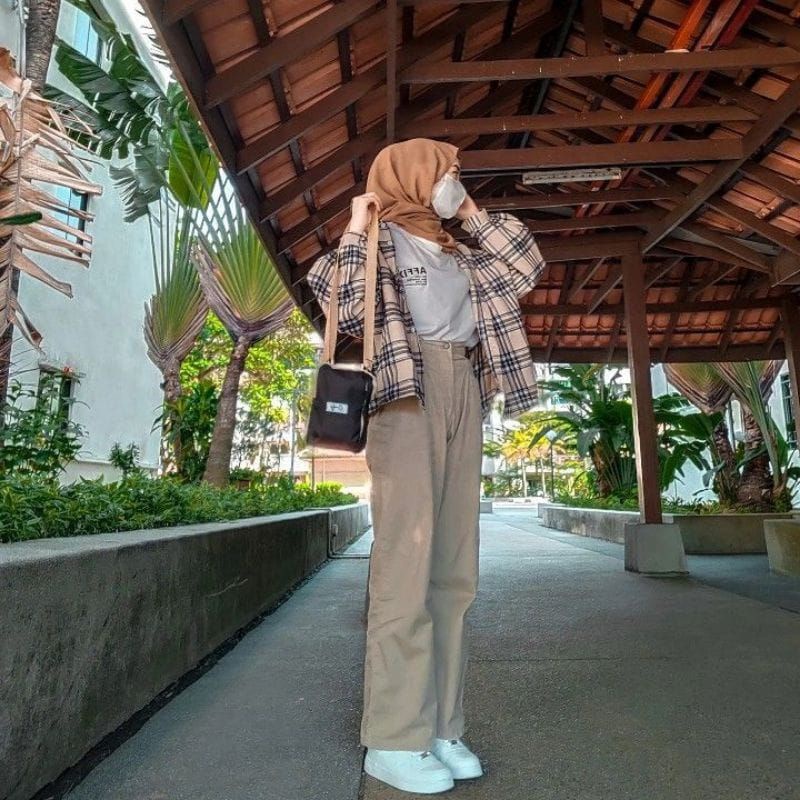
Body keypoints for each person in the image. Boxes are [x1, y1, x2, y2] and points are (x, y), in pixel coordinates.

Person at [306, 138, 545, 795]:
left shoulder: (461, 249)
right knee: (405, 568)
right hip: (406, 393)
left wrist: (467, 210)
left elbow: (525, 267)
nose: (454, 178)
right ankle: (392, 737)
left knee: (455, 573)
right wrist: (357, 227)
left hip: (465, 384)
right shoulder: (377, 242)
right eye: (447, 171)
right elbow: (343, 305)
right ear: (411, 175)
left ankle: (442, 726)